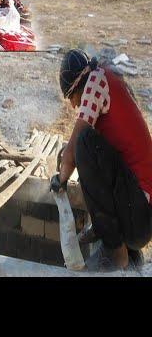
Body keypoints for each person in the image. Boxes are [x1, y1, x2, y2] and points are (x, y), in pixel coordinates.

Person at [54, 49, 152, 271]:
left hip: (139, 216)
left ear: (79, 84)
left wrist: (59, 180)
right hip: (138, 214)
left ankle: (115, 252)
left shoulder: (97, 80)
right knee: (87, 147)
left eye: (71, 96)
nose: (72, 105)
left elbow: (77, 143)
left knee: (85, 143)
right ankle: (123, 246)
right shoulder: (109, 79)